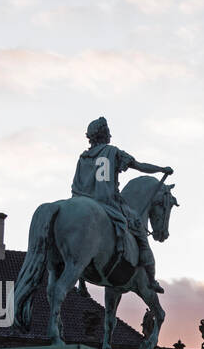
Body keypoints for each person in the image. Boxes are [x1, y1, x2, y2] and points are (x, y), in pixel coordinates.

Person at [71, 116, 173, 293]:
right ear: (105, 135)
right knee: (139, 230)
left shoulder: (83, 157)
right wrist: (161, 169)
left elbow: (76, 183)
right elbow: (140, 166)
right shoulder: (113, 152)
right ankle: (150, 278)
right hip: (108, 201)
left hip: (81, 200)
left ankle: (81, 282)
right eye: (108, 131)